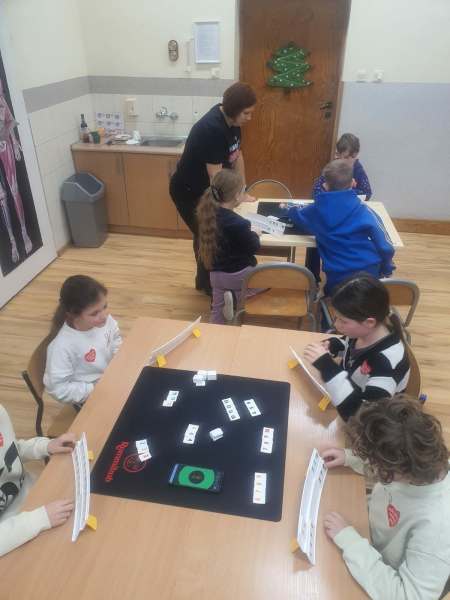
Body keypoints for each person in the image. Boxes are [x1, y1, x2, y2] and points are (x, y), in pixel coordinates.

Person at [322, 396, 450, 600]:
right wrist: (351, 458)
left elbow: (408, 596)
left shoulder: (437, 528)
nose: (373, 466)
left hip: (380, 573)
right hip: (368, 535)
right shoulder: (420, 461)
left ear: (396, 470)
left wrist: (350, 542)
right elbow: (391, 459)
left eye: (376, 464)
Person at [169, 82, 257, 295]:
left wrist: (242, 191)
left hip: (209, 188)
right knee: (210, 234)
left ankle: (204, 282)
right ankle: (211, 286)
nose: (249, 118)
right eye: (246, 113)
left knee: (206, 234)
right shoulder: (212, 129)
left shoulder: (233, 122)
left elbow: (237, 156)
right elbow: (216, 178)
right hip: (188, 192)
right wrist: (229, 205)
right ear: (234, 110)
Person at [303, 275, 410, 421]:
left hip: (363, 420)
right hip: (346, 395)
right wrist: (334, 345)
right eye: (336, 318)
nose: (336, 325)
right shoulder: (364, 333)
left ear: (369, 322)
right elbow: (350, 347)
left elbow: (364, 417)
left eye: (343, 321)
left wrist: (327, 367)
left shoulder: (387, 363)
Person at [287, 159, 394, 295]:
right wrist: (386, 268)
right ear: (353, 183)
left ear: (325, 186)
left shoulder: (315, 210)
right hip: (370, 273)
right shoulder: (365, 211)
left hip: (337, 278)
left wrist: (288, 209)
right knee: (364, 301)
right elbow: (386, 247)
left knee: (335, 300)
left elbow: (299, 217)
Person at [0, 403, 75, 556]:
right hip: (13, 534)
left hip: (34, 495)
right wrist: (39, 519)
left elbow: (11, 449)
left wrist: (45, 446)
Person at [44, 275, 122, 407]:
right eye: (94, 313)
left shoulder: (103, 321)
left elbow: (115, 338)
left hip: (112, 378)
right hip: (91, 396)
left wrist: (119, 358)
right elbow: (58, 389)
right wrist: (94, 389)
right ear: (74, 315)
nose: (104, 316)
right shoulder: (61, 347)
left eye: (105, 306)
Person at [196, 169, 262, 324]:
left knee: (217, 311)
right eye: (244, 190)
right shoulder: (239, 223)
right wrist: (254, 234)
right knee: (272, 280)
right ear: (237, 196)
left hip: (215, 276)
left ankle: (216, 330)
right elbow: (254, 247)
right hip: (238, 275)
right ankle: (236, 296)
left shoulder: (208, 215)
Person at [307, 133, 372, 283]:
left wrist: (347, 191)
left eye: (346, 157)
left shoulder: (358, 170)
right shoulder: (334, 168)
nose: (341, 160)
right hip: (330, 213)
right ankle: (313, 277)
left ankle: (349, 274)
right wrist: (341, 192)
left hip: (349, 215)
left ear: (355, 155)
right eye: (338, 156)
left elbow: (367, 192)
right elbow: (316, 191)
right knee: (315, 237)